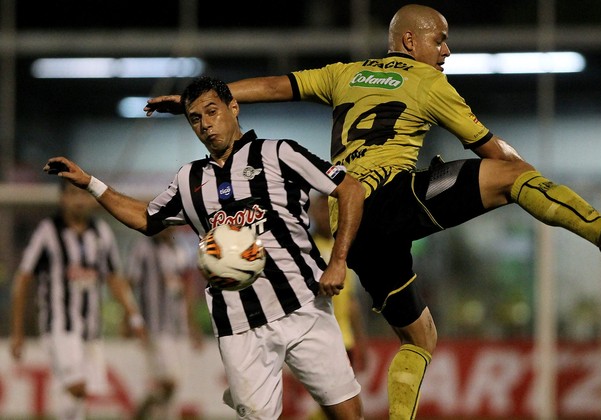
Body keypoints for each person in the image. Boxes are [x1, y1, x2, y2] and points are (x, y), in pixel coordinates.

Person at [144, 5, 601, 418]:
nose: (447, 50)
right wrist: (533, 181)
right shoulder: (427, 82)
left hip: (353, 222)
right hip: (390, 198)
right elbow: (493, 152)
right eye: (440, 39)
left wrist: (200, 100)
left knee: (420, 338)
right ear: (408, 41)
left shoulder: (346, 74)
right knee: (511, 178)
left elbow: (277, 86)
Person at [46, 76, 366, 420]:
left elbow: (350, 190)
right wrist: (91, 183)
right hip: (239, 326)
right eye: (195, 118)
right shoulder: (189, 179)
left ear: (234, 107)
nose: (205, 125)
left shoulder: (279, 153)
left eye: (212, 112)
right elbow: (146, 218)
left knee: (347, 414)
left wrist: (338, 261)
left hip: (303, 308)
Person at [9, 181, 147, 420]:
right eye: (73, 195)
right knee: (77, 387)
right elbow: (23, 279)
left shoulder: (101, 232)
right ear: (62, 199)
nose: (79, 200)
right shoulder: (48, 231)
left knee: (80, 397)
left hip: (91, 329)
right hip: (59, 325)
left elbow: (114, 277)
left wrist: (133, 316)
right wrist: (17, 330)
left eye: (83, 195)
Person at [126, 227, 204, 420]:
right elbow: (130, 282)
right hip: (155, 326)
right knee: (170, 383)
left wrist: (192, 324)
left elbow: (187, 289)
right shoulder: (143, 248)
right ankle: (137, 414)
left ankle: (151, 414)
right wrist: (129, 319)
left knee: (174, 388)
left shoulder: (181, 249)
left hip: (180, 328)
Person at [306, 193, 368, 420]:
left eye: (329, 210)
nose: (324, 215)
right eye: (320, 210)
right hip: (315, 339)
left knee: (341, 409)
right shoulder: (305, 248)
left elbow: (351, 300)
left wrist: (361, 341)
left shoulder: (343, 250)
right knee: (338, 409)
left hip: (345, 340)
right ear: (311, 212)